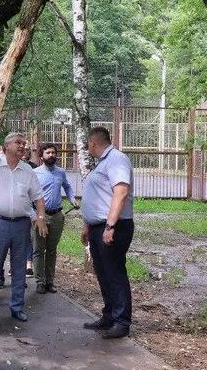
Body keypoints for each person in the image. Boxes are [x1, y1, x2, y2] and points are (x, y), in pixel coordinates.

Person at [0, 132, 48, 322]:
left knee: (19, 269)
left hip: (21, 225)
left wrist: (41, 216)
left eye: (24, 143)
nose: (23, 146)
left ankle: (17, 307)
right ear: (6, 146)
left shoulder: (28, 170)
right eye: (18, 143)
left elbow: (38, 198)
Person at [80, 126, 134, 339]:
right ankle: (109, 315)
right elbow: (97, 197)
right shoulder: (102, 162)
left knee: (115, 273)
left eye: (88, 144)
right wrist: (87, 226)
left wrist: (110, 226)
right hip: (98, 227)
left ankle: (122, 322)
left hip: (114, 227)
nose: (87, 148)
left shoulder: (116, 159)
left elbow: (120, 193)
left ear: (93, 142)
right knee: (103, 273)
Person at [32, 142, 78, 294]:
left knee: (51, 250)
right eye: (48, 153)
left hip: (57, 216)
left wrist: (72, 198)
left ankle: (49, 282)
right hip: (41, 216)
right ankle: (39, 282)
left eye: (53, 152)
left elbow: (67, 187)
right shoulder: (35, 173)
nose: (51, 155)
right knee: (39, 250)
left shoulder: (61, 172)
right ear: (41, 156)